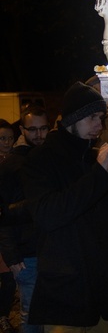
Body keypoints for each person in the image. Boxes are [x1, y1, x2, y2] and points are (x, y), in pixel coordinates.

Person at [19, 81, 108, 333]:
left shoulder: (97, 158)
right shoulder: (40, 160)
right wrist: (100, 175)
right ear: (72, 120)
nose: (99, 126)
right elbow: (49, 215)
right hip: (67, 295)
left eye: (101, 118)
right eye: (92, 117)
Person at [0, 105, 50, 333]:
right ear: (22, 129)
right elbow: (2, 213)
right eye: (33, 130)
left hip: (52, 250)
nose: (39, 135)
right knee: (31, 315)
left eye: (43, 129)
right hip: (26, 255)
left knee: (51, 315)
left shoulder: (50, 158)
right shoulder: (11, 165)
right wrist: (11, 256)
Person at [0, 120, 17, 333]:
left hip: (8, 228)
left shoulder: (15, 162)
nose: (7, 142)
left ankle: (2, 315)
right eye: (2, 138)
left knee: (8, 277)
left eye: (10, 138)